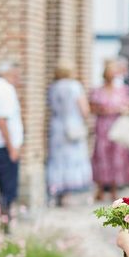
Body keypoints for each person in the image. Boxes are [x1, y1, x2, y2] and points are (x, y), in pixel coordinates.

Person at [46, 60, 92, 206]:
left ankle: (57, 191)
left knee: (58, 159)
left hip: (57, 126)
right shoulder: (74, 86)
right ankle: (69, 193)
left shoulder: (53, 87)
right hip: (73, 125)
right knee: (73, 158)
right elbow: (84, 110)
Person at [90, 60, 129, 202]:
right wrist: (104, 110)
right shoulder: (97, 91)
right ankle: (100, 189)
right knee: (101, 156)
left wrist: (123, 110)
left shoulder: (123, 90)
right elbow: (92, 108)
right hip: (103, 126)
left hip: (118, 127)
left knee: (117, 157)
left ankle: (115, 189)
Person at [0, 60, 23, 220]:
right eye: (17, 76)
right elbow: (2, 121)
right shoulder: (5, 89)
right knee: (8, 189)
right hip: (2, 146)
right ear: (9, 74)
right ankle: (5, 222)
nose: (19, 80)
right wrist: (12, 148)